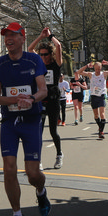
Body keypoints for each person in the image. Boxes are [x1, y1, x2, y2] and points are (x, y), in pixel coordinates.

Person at [0, 22, 51, 216]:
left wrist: (31, 99)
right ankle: (17, 215)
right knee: (9, 168)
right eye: (6, 35)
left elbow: (43, 91)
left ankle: (41, 191)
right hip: (9, 122)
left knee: (32, 173)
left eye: (13, 35)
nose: (8, 39)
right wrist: (16, 100)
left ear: (23, 38)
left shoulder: (33, 60)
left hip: (31, 120)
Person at [29, 28, 65, 168]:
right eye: (41, 54)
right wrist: (40, 36)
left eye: (46, 54)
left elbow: (58, 45)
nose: (43, 57)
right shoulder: (38, 63)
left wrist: (49, 36)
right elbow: (30, 49)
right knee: (39, 132)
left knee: (53, 131)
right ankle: (38, 160)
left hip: (53, 100)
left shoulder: (56, 65)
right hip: (41, 100)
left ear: (51, 54)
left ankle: (59, 155)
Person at [76, 60, 108, 140]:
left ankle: (101, 131)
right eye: (96, 69)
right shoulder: (91, 74)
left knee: (102, 114)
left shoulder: (104, 74)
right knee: (96, 115)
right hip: (94, 96)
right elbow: (78, 72)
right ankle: (100, 127)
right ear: (94, 68)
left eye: (99, 69)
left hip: (101, 95)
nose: (98, 70)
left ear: (101, 68)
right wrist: (86, 66)